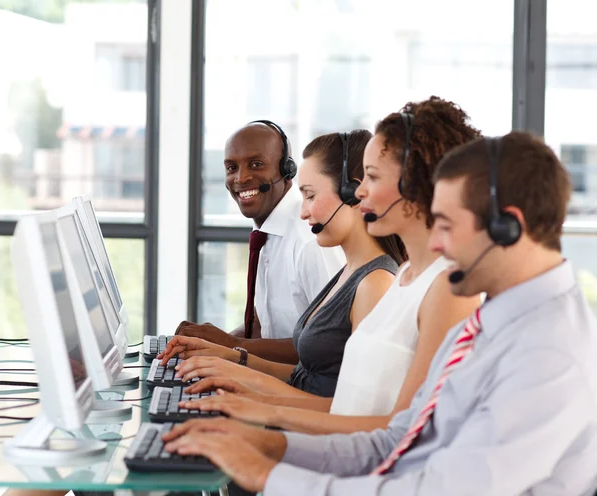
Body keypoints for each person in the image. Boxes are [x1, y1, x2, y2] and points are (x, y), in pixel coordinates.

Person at [162, 131, 597, 496]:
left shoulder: (549, 351)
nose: (438, 245)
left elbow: (440, 489)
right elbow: (393, 441)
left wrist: (267, 473)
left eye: (445, 225)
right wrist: (266, 444)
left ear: (508, 226)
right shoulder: (495, 322)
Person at [160, 97, 480, 432]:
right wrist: (236, 375)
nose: (361, 193)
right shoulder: (403, 278)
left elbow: (397, 430)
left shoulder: (429, 286)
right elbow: (343, 399)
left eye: (372, 177)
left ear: (411, 183)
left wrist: (262, 413)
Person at [160, 130, 405, 398]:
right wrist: (225, 358)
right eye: (231, 167)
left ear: (352, 193)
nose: (241, 178)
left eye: (310, 196)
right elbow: (309, 374)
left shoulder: (328, 254)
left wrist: (257, 399)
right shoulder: (346, 269)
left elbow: (351, 408)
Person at [175, 120, 345, 364]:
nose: (241, 178)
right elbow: (264, 322)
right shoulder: (267, 228)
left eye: (256, 164)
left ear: (286, 170)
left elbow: (329, 346)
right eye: (231, 167)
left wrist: (231, 345)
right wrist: (214, 342)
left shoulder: (309, 239)